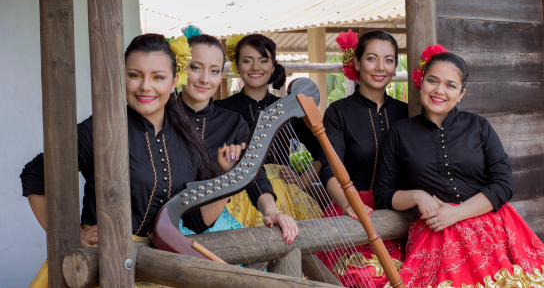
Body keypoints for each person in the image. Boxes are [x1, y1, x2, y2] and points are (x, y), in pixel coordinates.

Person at [20, 33, 263, 287]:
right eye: (135, 75)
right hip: (102, 268)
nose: (145, 86)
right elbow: (35, 176)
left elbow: (196, 222)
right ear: (121, 78)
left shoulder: (187, 137)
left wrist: (228, 176)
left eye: (158, 77)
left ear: (173, 82)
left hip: (160, 269)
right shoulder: (99, 130)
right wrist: (70, 235)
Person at [373, 45, 544, 288]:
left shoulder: (479, 127)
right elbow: (383, 194)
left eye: (450, 85)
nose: (439, 90)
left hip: (493, 230)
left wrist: (455, 214)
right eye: (433, 81)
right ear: (422, 82)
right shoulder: (400, 133)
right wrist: (418, 196)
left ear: (461, 93)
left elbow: (504, 184)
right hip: (437, 236)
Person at [176, 29, 297, 244]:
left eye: (214, 71)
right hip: (162, 223)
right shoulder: (161, 115)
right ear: (180, 68)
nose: (205, 79)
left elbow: (253, 174)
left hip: (214, 222)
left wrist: (271, 211)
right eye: (195, 68)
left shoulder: (232, 122)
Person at [316, 30, 408, 288]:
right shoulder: (338, 112)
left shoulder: (407, 112)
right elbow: (329, 170)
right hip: (353, 208)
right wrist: (349, 203)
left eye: (389, 60)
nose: (381, 67)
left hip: (399, 208)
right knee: (366, 277)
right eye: (372, 58)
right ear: (356, 62)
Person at [214, 33, 322, 227]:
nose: (255, 67)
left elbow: (321, 152)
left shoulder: (289, 108)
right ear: (237, 66)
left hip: (286, 196)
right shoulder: (221, 109)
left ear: (273, 66)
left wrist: (302, 181)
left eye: (263, 60)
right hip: (237, 194)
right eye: (247, 61)